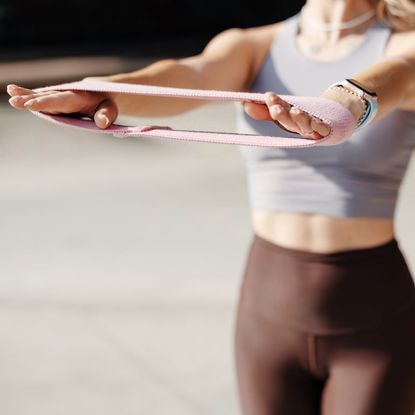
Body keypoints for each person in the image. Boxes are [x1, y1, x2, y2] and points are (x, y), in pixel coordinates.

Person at [7, 0, 415, 413]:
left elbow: (394, 77)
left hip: (373, 314)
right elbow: (188, 75)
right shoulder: (253, 45)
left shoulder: (405, 45)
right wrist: (105, 91)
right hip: (269, 307)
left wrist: (341, 106)